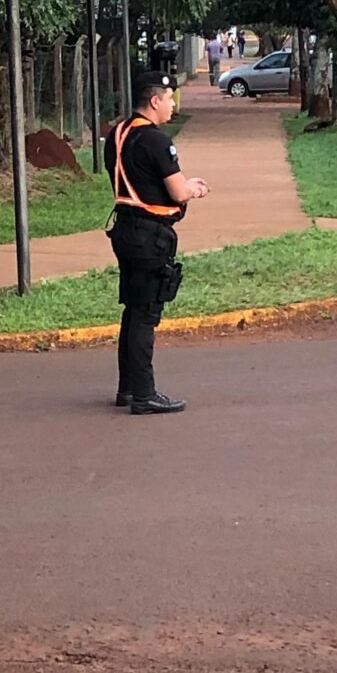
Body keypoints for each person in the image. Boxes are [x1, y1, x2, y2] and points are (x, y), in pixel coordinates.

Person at [104, 71, 209, 415]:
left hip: (125, 228)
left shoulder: (117, 133)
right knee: (146, 314)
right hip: (150, 234)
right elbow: (177, 191)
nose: (172, 105)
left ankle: (128, 389)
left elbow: (144, 179)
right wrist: (193, 188)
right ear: (154, 101)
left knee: (133, 309)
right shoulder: (156, 140)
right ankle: (145, 393)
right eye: (169, 98)